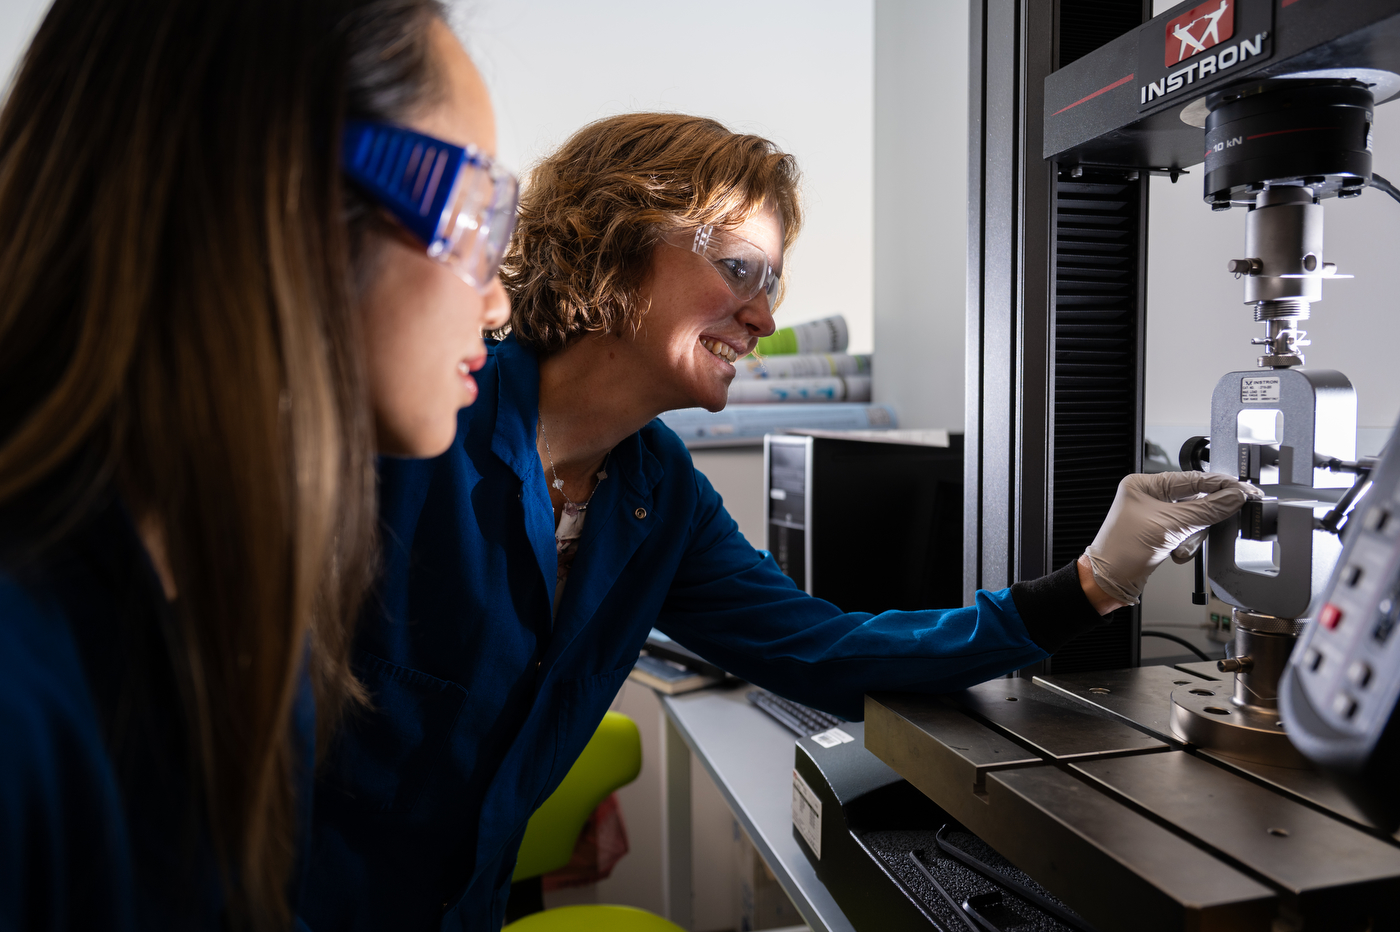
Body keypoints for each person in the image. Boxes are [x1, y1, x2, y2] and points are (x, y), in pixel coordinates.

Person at [302, 112, 1257, 931]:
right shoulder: (419, 422)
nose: (762, 318)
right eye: (739, 269)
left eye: (773, 284)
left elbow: (825, 651)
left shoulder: (654, 490)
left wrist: (1094, 579)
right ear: (616, 243)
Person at [0, 0, 510, 927]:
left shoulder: (229, 596)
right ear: (289, 197)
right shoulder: (20, 698)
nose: (499, 299)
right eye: (478, 215)